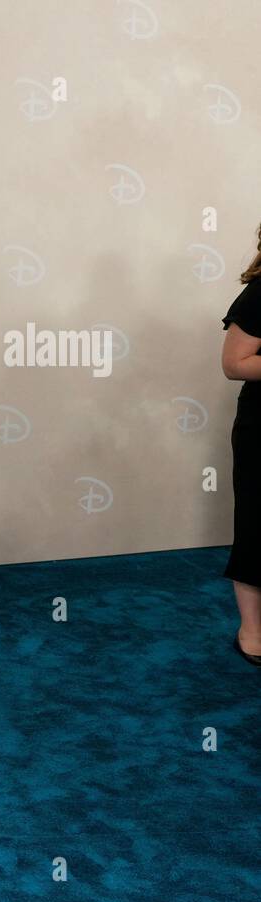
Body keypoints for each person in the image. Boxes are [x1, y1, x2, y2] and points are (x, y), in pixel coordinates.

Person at [220, 223, 261, 666]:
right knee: (256, 527)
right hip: (259, 432)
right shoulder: (258, 294)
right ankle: (252, 634)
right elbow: (234, 363)